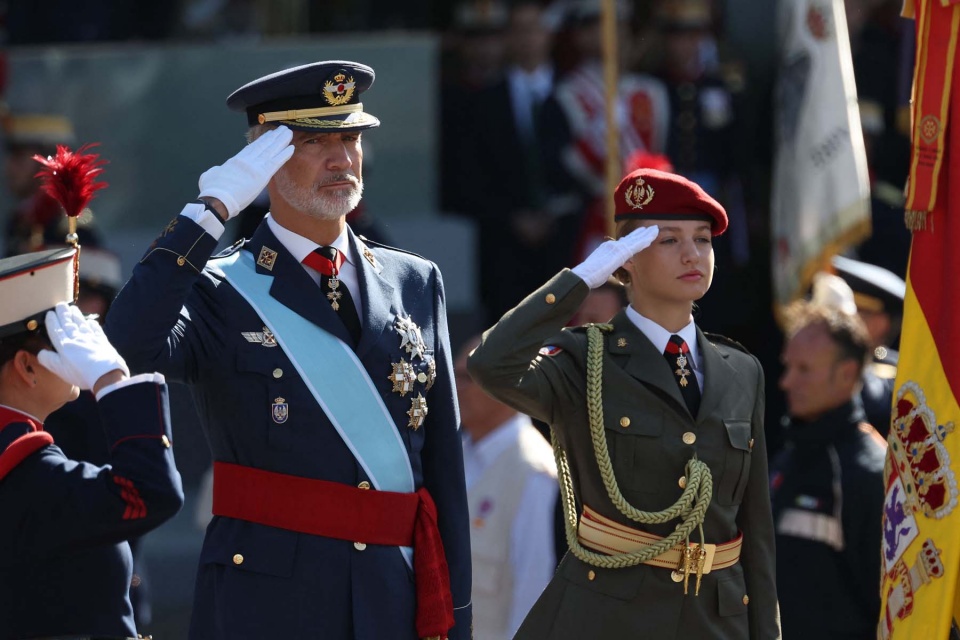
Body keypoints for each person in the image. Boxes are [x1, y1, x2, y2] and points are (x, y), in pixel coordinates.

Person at [104, 60, 472, 640]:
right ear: (265, 159)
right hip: (269, 602)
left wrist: (459, 613)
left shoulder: (414, 281)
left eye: (350, 136)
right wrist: (208, 213)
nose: (341, 158)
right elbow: (128, 344)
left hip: (391, 595)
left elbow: (444, 470)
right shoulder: (219, 286)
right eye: (312, 142)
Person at [468, 168, 780, 639]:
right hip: (612, 616)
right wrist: (576, 283)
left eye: (703, 239)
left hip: (718, 620)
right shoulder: (584, 359)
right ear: (627, 258)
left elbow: (754, 528)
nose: (693, 253)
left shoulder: (741, 370)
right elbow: (491, 365)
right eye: (669, 241)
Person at [0, 247, 182, 640]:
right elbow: (151, 491)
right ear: (27, 367)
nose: (80, 348)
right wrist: (111, 380)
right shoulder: (29, 475)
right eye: (64, 338)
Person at [772, 301, 885, 639]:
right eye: (788, 366)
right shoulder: (788, 455)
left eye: (804, 369)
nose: (786, 382)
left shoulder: (870, 474)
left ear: (847, 373)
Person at [455, 335, 557, 639]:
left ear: (504, 387)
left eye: (465, 378)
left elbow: (533, 590)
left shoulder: (534, 471)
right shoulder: (455, 452)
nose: (454, 388)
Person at [832, 254, 905, 436]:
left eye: (854, 312)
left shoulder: (896, 369)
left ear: (881, 323)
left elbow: (875, 404)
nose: (841, 320)